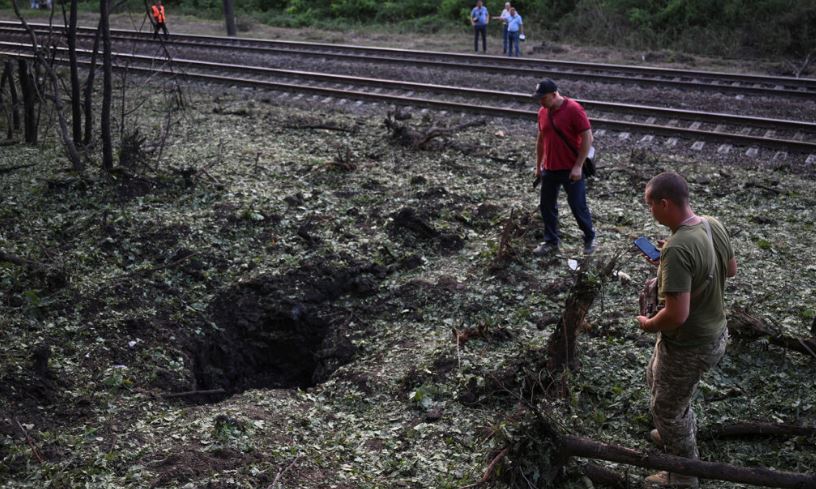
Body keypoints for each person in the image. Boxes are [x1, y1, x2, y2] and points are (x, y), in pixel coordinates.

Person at [636, 171, 737, 488]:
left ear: (664, 204)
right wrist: (675, 264)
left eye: (650, 205)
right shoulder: (710, 224)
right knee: (655, 377)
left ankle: (682, 474)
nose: (650, 211)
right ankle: (673, 430)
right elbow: (730, 269)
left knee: (666, 408)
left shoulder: (678, 248)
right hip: (716, 333)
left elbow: (676, 315)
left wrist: (649, 324)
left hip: (689, 343)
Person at [532, 79, 595, 256]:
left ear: (554, 94)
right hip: (550, 168)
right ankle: (551, 241)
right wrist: (538, 166)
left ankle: (589, 237)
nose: (541, 102)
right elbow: (541, 139)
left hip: (570, 169)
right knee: (547, 206)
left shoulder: (574, 109)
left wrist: (578, 166)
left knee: (577, 205)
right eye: (539, 99)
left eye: (543, 98)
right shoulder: (542, 111)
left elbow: (588, 138)